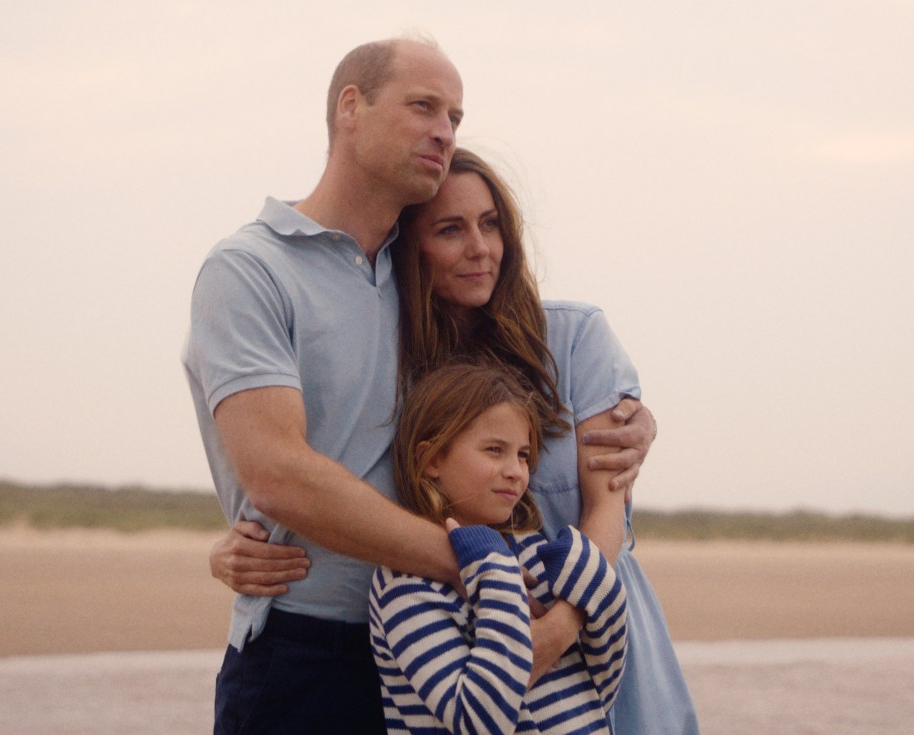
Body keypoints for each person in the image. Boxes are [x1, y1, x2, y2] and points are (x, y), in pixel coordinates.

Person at [184, 38, 655, 734]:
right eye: (423, 106)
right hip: (309, 646)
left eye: (455, 117)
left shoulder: (418, 290)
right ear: (351, 106)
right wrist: (477, 565)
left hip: (433, 650)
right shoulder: (250, 269)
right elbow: (277, 473)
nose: (444, 130)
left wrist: (635, 420)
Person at [371, 362, 628, 734]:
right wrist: (495, 572)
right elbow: (478, 720)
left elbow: (601, 682)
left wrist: (594, 578)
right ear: (432, 459)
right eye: (495, 450)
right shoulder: (406, 582)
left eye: (523, 455)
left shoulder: (533, 551)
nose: (516, 470)